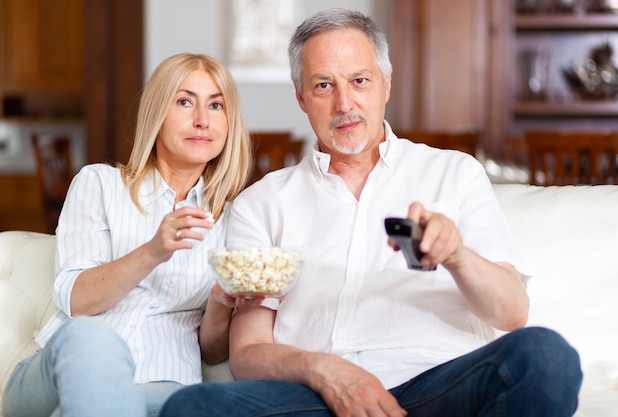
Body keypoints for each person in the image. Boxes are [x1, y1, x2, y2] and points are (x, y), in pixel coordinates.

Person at [160, 9, 583, 417]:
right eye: (323, 85)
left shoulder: (454, 173)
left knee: (545, 355)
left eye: (359, 80)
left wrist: (457, 255)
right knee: (190, 407)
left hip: (437, 387)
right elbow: (247, 354)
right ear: (301, 97)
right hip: (316, 395)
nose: (344, 102)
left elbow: (511, 312)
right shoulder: (262, 202)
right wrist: (324, 370)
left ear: (386, 84)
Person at [1, 53, 258, 417]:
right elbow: (77, 301)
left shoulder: (233, 220)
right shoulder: (99, 185)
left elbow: (213, 352)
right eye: (185, 101)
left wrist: (221, 300)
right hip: (59, 372)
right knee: (92, 339)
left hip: (164, 385)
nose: (202, 120)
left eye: (216, 106)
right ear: (157, 113)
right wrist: (152, 251)